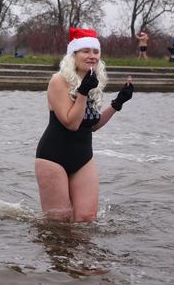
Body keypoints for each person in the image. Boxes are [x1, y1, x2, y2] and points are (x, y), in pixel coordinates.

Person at [35, 28, 134, 222]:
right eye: (86, 51)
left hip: (83, 157)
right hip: (53, 158)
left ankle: (84, 254)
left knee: (87, 218)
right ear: (74, 54)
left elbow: (92, 125)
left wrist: (118, 103)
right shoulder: (59, 80)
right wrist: (82, 92)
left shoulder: (90, 81)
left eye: (95, 52)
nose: (92, 56)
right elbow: (71, 123)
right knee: (59, 222)